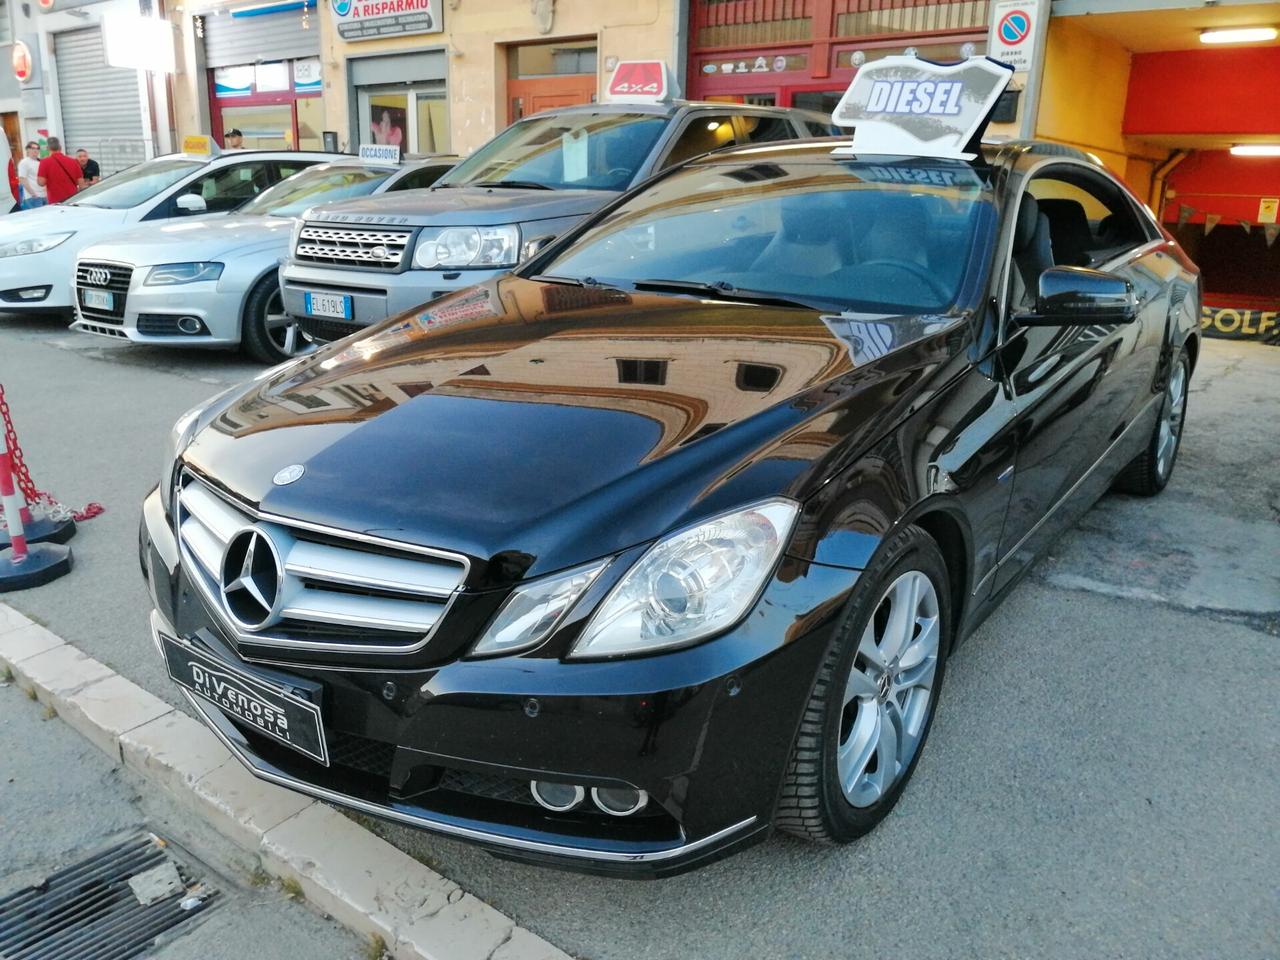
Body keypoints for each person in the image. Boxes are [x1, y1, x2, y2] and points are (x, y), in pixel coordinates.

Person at [36, 136, 83, 205]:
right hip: (72, 199)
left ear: (47, 148)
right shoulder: (73, 161)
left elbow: (41, 183)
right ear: (60, 147)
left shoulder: (44, 162)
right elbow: (81, 184)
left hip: (55, 202)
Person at [18, 141, 46, 209]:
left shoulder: (40, 162)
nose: (35, 150)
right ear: (27, 150)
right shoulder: (24, 162)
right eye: (33, 148)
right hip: (33, 197)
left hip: (44, 196)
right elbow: (22, 179)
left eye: (37, 148)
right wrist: (33, 194)